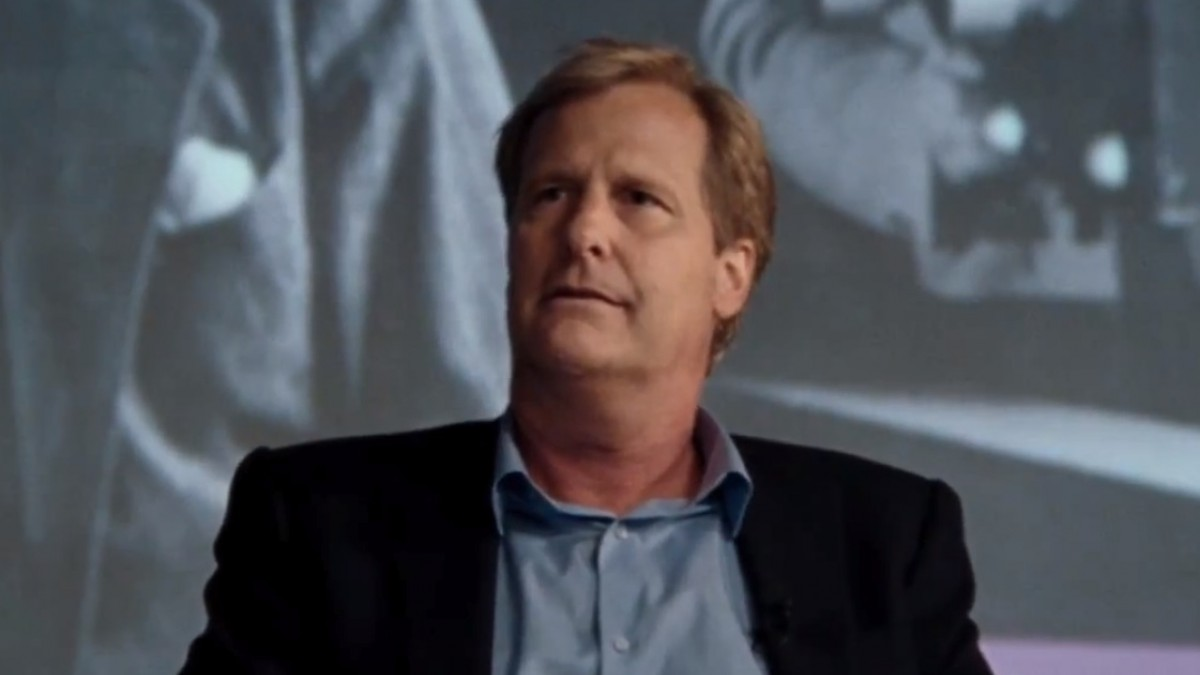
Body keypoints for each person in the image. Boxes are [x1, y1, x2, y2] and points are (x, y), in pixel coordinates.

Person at [180, 37, 994, 675]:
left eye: (639, 198)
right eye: (551, 195)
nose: (584, 231)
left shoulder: (884, 544)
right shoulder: (314, 531)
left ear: (731, 273)